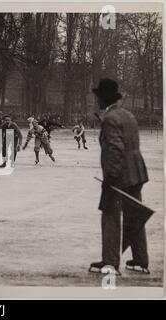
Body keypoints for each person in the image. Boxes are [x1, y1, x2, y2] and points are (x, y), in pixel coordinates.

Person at [89, 78, 150, 274]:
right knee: (135, 216)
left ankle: (110, 262)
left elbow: (115, 149)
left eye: (98, 97)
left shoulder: (110, 118)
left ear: (103, 99)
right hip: (137, 172)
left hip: (120, 174)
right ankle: (141, 260)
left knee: (110, 216)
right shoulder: (128, 115)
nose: (97, 101)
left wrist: (111, 178)